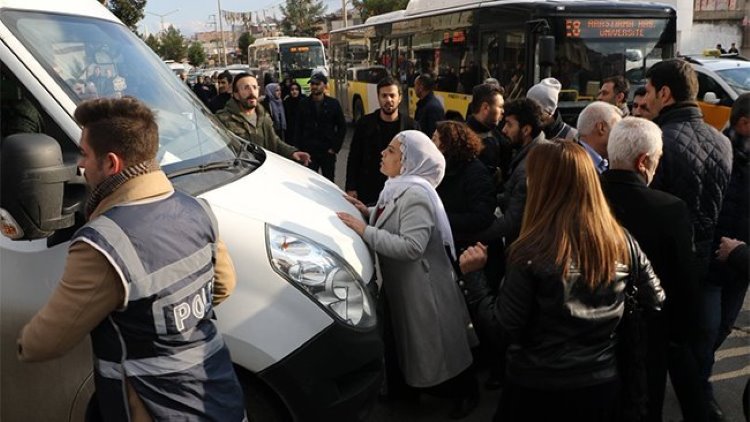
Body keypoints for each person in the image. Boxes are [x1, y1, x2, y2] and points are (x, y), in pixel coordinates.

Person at [16, 97, 246, 421]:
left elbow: (45, 343)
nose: (80, 165)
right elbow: (222, 287)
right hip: (220, 397)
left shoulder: (103, 244)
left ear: (111, 164)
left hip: (152, 408)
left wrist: (19, 345)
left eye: (84, 153)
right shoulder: (196, 210)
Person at [459, 140, 665, 422]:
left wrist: (474, 278)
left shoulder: (529, 250)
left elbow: (503, 330)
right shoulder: (621, 240)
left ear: (541, 186)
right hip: (602, 382)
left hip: (537, 387)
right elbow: (655, 300)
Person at [337, 130, 478, 419]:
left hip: (423, 287)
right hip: (406, 285)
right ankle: (415, 390)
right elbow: (391, 214)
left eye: (390, 151)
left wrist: (366, 230)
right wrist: (369, 211)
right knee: (415, 345)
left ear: (408, 162)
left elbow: (412, 247)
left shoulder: (416, 195)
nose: (382, 154)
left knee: (438, 347)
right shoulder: (398, 187)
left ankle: (465, 394)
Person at [643, 58, 733, 421]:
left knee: (653, 355)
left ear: (665, 94)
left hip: (660, 271)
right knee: (686, 349)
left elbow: (649, 214)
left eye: (648, 91)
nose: (645, 99)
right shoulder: (721, 141)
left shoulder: (658, 141)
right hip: (703, 264)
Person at [601, 117, 706, 422]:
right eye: (658, 160)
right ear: (643, 161)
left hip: (587, 336)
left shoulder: (586, 197)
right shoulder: (669, 209)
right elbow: (685, 281)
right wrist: (682, 335)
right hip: (648, 337)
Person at [702, 92, 750, 419]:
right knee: (707, 328)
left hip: (741, 262)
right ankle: (699, 387)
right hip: (710, 262)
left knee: (722, 327)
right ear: (745, 123)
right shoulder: (717, 153)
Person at [478, 98, 545, 247]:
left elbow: (511, 222)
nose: (504, 130)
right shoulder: (536, 152)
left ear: (526, 130)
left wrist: (472, 235)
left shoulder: (528, 168)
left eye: (509, 124)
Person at [345, 77, 418, 205]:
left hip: (399, 193)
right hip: (368, 190)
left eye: (392, 95)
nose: (388, 100)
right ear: (378, 97)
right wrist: (351, 187)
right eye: (384, 96)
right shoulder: (365, 124)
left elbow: (417, 161)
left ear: (399, 98)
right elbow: (354, 157)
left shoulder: (411, 127)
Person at [217, 73, 310, 165]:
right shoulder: (222, 120)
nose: (252, 92)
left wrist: (292, 153)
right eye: (246, 88)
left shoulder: (263, 115)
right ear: (236, 94)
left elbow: (274, 142)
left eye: (254, 87)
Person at [433, 120, 497, 251]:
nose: (430, 143)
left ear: (447, 144)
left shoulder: (476, 173)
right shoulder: (444, 168)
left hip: (470, 249)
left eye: (434, 139)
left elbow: (482, 217)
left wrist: (440, 218)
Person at [294, 71, 346, 181]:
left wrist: (334, 148)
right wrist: (299, 149)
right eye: (312, 84)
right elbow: (298, 127)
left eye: (317, 84)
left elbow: (342, 127)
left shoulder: (333, 104)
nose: (314, 87)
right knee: (309, 182)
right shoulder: (303, 104)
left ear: (324, 86)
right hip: (309, 152)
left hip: (327, 151)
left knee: (329, 182)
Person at [466, 83, 510, 187]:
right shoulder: (461, 138)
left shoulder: (500, 137)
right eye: (500, 107)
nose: (503, 111)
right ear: (485, 108)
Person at [576, 101, 622, 173]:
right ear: (601, 128)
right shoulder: (573, 163)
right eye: (617, 128)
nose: (620, 135)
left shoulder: (608, 164)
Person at [414, 72, 445, 138]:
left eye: (415, 85)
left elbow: (434, 134)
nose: (414, 89)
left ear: (421, 87)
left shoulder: (433, 107)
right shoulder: (423, 104)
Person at [283, 81, 304, 147]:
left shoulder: (304, 101)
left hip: (303, 131)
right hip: (290, 132)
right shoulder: (286, 102)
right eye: (292, 90)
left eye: (296, 89)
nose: (294, 91)